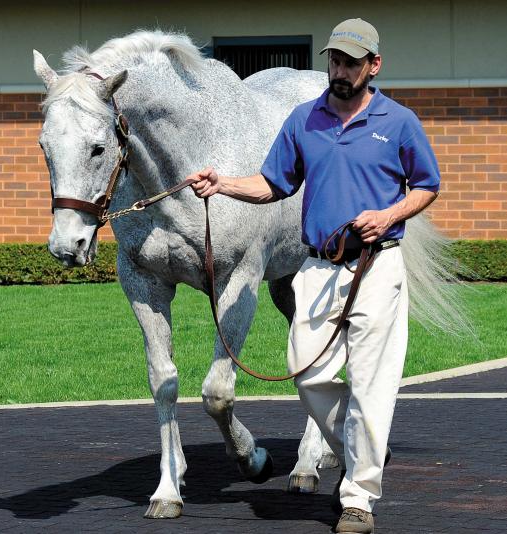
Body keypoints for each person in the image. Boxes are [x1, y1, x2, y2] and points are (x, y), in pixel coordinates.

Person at [187, 18, 440, 534]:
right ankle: (363, 445)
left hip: (378, 264)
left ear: (374, 65)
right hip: (319, 266)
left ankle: (358, 500)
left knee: (371, 386)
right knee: (307, 373)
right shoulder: (305, 120)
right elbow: (272, 183)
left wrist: (390, 215)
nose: (340, 70)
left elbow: (427, 185)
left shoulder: (399, 120)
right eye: (334, 60)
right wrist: (224, 184)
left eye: (350, 62)